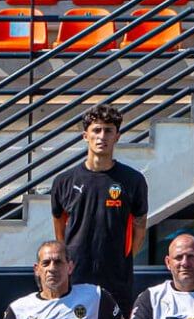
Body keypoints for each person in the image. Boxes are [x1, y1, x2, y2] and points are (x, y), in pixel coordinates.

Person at [51, 105, 148, 307]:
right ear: (85, 135)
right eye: (96, 130)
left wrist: (123, 256)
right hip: (75, 274)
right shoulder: (64, 181)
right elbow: (59, 227)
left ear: (117, 136)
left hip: (117, 275)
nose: (101, 136)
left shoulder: (133, 180)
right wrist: (70, 255)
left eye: (108, 130)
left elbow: (140, 226)